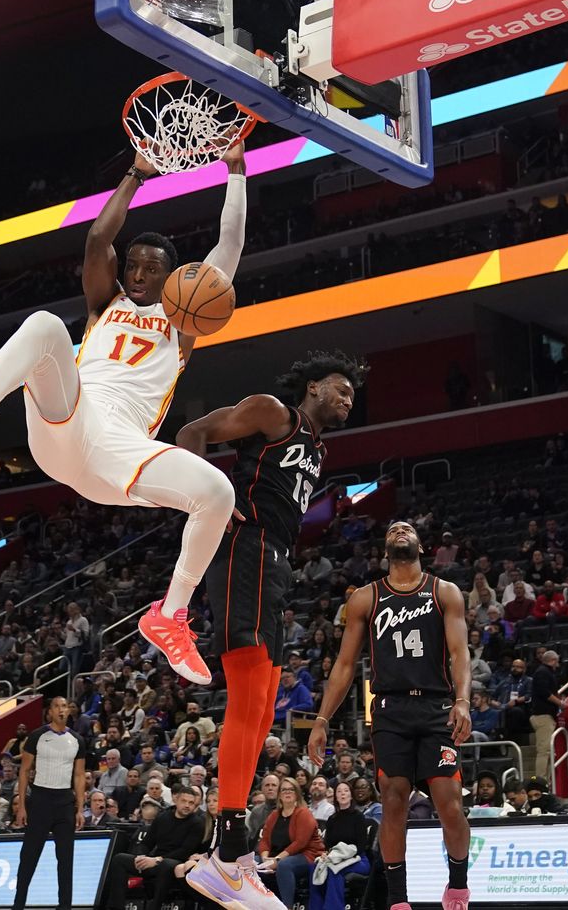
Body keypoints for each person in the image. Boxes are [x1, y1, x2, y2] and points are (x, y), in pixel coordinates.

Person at [0, 144, 249, 687]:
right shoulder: (104, 305)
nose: (138, 273)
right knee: (46, 327)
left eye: (151, 267)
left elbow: (229, 245)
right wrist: (136, 174)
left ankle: (171, 615)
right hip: (71, 419)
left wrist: (235, 170)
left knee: (218, 493)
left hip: (122, 451)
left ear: (171, 279)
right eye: (133, 265)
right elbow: (97, 240)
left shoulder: (184, 318)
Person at [177, 350, 366, 910]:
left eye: (352, 396)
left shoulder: (317, 447)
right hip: (246, 549)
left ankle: (228, 857)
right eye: (339, 389)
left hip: (276, 564)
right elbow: (193, 431)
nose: (347, 400)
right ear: (312, 386)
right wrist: (206, 500)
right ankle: (228, 853)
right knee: (248, 692)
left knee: (263, 705)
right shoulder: (272, 413)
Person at [308, 520, 473, 910]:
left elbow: (459, 653)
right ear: (385, 547)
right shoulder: (366, 598)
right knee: (394, 800)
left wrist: (463, 700)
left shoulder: (444, 591)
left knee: (449, 802)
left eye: (407, 528)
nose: (400, 530)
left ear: (420, 543)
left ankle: (458, 887)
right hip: (389, 709)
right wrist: (321, 719)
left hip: (436, 708)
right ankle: (399, 900)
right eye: (393, 529)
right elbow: (345, 665)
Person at [13, 696, 86, 910]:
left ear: (69, 711)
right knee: (28, 857)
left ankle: (65, 906)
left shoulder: (77, 740)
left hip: (65, 802)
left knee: (65, 859)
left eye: (64, 706)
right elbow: (24, 771)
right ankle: (18, 905)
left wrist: (80, 808)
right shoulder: (37, 736)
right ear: (50, 712)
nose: (61, 710)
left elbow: (79, 776)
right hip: (40, 800)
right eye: (57, 706)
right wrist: (23, 806)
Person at [106, 784, 206, 910]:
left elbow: (185, 852)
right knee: (119, 859)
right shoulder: (163, 817)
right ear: (175, 800)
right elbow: (147, 843)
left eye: (191, 803)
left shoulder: (197, 823)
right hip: (153, 860)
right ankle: (116, 907)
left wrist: (157, 859)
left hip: (175, 862)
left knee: (167, 864)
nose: (187, 805)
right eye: (184, 801)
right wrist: (141, 856)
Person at [255, 776, 324, 910]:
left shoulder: (304, 814)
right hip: (277, 856)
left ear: (297, 794)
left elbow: (300, 843)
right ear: (279, 795)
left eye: (291, 790)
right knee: (251, 862)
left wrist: (277, 859)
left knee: (284, 865)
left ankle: (287, 906)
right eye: (284, 790)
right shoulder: (274, 815)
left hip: (306, 855)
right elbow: (265, 840)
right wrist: (265, 858)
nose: (287, 792)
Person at [308, 780, 371, 910]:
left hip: (358, 859)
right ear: (335, 796)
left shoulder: (358, 817)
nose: (343, 794)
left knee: (335, 870)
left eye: (346, 791)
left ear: (351, 795)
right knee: (314, 868)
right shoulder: (332, 819)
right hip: (335, 858)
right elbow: (328, 845)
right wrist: (327, 854)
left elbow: (361, 846)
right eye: (339, 791)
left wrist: (341, 857)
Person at [530, 650, 567, 778]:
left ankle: (547, 780)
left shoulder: (545, 672)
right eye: (557, 661)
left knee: (549, 751)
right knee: (544, 751)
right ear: (553, 660)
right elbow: (544, 692)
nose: (558, 664)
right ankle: (540, 781)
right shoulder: (543, 672)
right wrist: (560, 703)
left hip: (546, 716)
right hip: (543, 716)